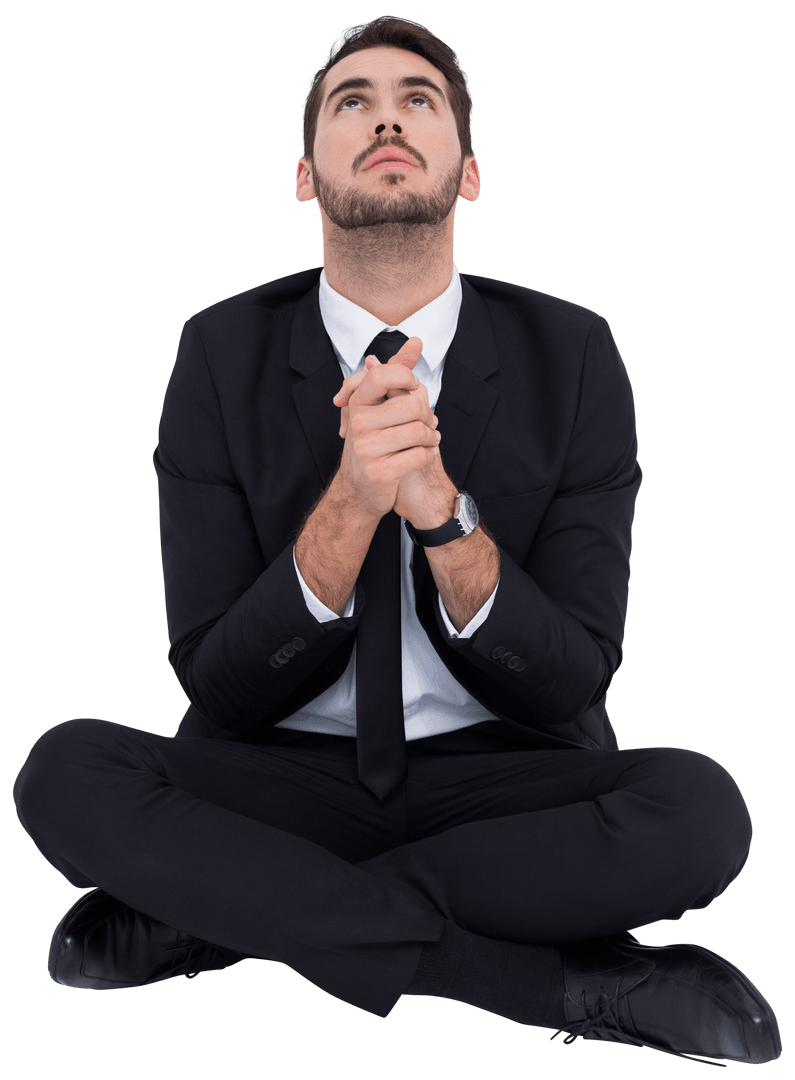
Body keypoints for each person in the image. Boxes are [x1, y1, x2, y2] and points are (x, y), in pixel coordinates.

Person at [12, 15, 781, 1066]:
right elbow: (220, 683)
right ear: (304, 176)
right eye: (353, 102)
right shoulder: (217, 350)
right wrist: (352, 501)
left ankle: (230, 912)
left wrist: (440, 514)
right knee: (63, 773)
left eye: (419, 100)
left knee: (701, 814)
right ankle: (556, 984)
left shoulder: (575, 352)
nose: (386, 119)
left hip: (505, 786)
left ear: (469, 172)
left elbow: (572, 679)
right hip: (280, 774)